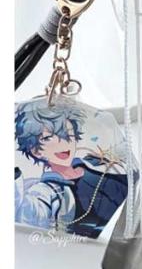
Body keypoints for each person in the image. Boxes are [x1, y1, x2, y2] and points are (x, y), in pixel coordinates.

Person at [14, 98, 128, 238]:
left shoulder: (94, 162)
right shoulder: (47, 191)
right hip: (96, 244)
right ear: (35, 150)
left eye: (68, 134)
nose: (63, 143)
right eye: (48, 138)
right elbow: (30, 216)